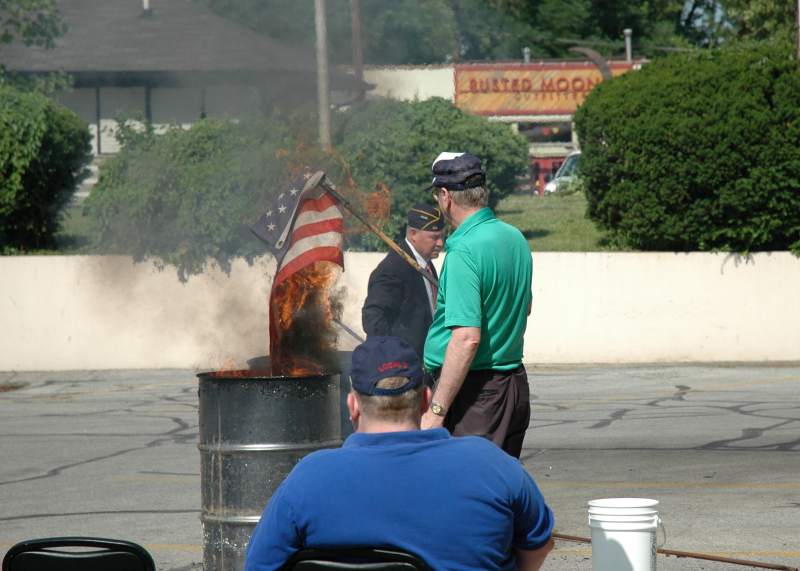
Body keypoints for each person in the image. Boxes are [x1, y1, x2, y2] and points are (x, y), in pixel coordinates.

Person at [244, 336, 554, 571]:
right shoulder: (492, 465)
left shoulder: (308, 478)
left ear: (352, 405)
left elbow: (259, 565)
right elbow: (538, 544)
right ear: (425, 399)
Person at [421, 152, 533, 459]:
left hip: (476, 396)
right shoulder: (514, 238)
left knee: (467, 495)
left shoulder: (464, 250)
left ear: (445, 196)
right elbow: (525, 307)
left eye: (437, 195)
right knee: (499, 490)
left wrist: (437, 410)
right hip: (512, 385)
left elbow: (466, 338)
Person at [362, 203, 445, 359]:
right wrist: (394, 362)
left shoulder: (425, 263)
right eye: (434, 237)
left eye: (442, 236)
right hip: (402, 368)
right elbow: (373, 318)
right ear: (413, 234)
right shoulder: (392, 269)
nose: (440, 243)